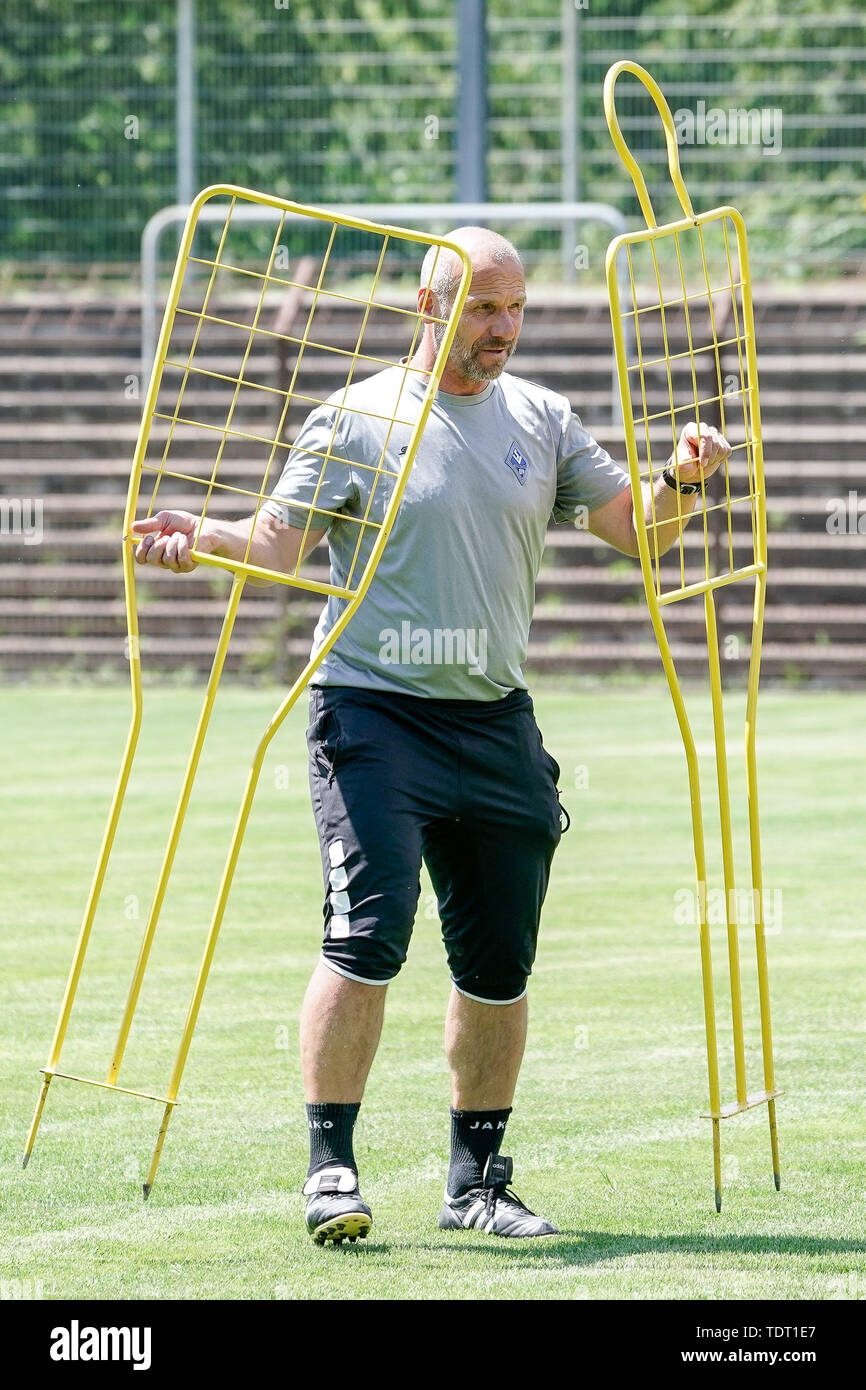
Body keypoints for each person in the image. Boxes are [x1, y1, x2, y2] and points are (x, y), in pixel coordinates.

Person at [131, 226, 731, 1244]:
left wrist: (681, 478)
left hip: (493, 717)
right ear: (426, 305)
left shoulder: (539, 417)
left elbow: (638, 531)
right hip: (371, 709)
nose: (500, 330)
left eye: (514, 309)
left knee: (498, 966)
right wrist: (206, 539)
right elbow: (277, 541)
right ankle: (330, 1171)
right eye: (482, 308)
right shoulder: (357, 418)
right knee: (366, 935)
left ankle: (475, 1185)